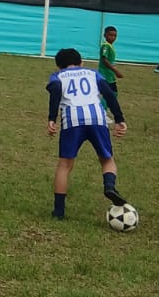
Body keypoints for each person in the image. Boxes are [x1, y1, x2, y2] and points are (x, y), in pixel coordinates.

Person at [47, 47, 128, 219]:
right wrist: (119, 118)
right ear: (81, 62)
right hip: (97, 117)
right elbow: (108, 94)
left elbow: (55, 90)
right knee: (107, 159)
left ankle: (59, 211)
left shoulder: (57, 76)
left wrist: (52, 119)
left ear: (59, 66)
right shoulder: (93, 73)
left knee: (65, 165)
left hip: (72, 119)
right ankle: (109, 186)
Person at [98, 26, 123, 91]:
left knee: (112, 93)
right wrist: (116, 71)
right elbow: (104, 59)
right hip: (105, 75)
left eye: (115, 36)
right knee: (112, 93)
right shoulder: (105, 46)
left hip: (109, 74)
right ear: (104, 35)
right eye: (110, 35)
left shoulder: (110, 45)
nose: (113, 37)